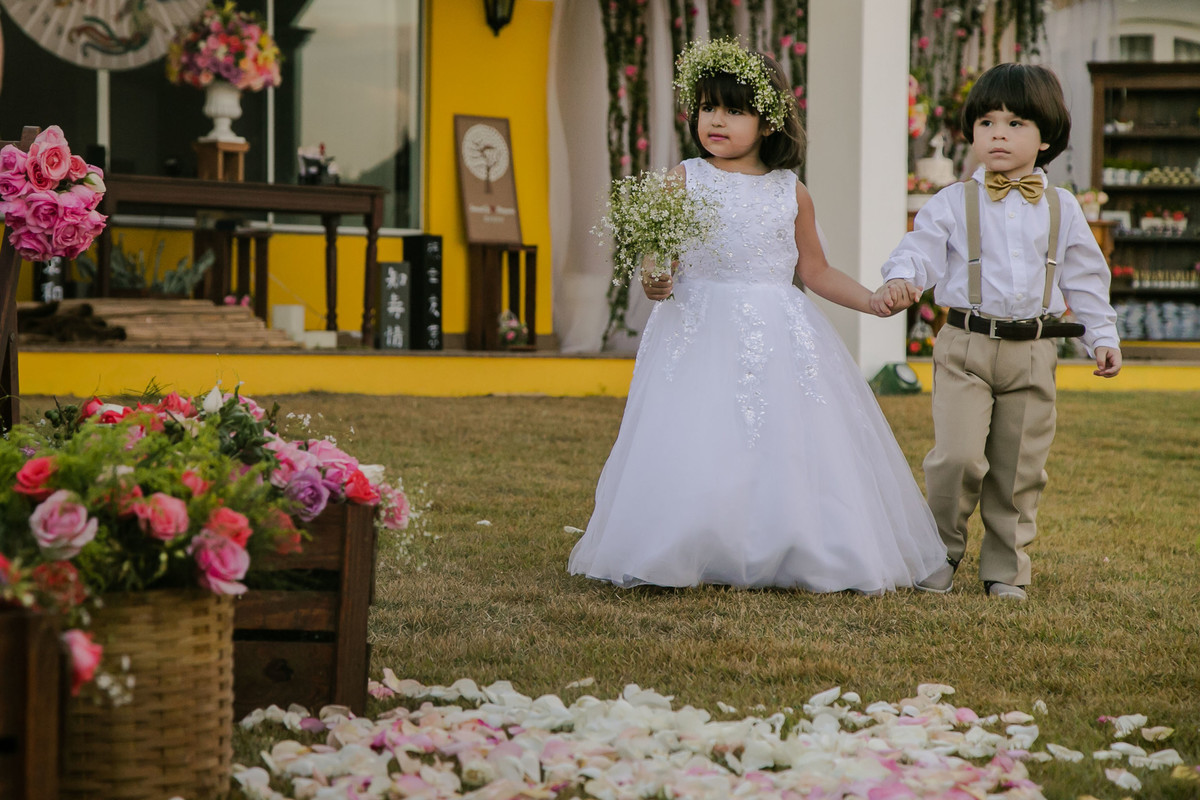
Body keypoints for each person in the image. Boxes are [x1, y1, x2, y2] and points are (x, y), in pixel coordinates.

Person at [568, 38, 948, 593]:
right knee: (696, 432)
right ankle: (683, 540)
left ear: (769, 122)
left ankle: (786, 541)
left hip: (776, 330)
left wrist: (871, 299)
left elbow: (815, 271)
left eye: (733, 110)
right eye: (707, 107)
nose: (716, 120)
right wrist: (656, 278)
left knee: (779, 436)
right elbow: (659, 258)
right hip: (697, 326)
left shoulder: (791, 192)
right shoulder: (685, 179)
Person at [879, 63, 1122, 602]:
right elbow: (919, 249)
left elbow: (1085, 279)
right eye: (986, 122)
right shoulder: (952, 202)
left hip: (1033, 351)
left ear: (1046, 137)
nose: (998, 135)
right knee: (958, 457)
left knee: (1019, 468)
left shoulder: (1062, 207)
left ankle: (1006, 568)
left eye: (1015, 124)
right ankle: (939, 552)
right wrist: (902, 278)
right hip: (965, 345)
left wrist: (1101, 337)